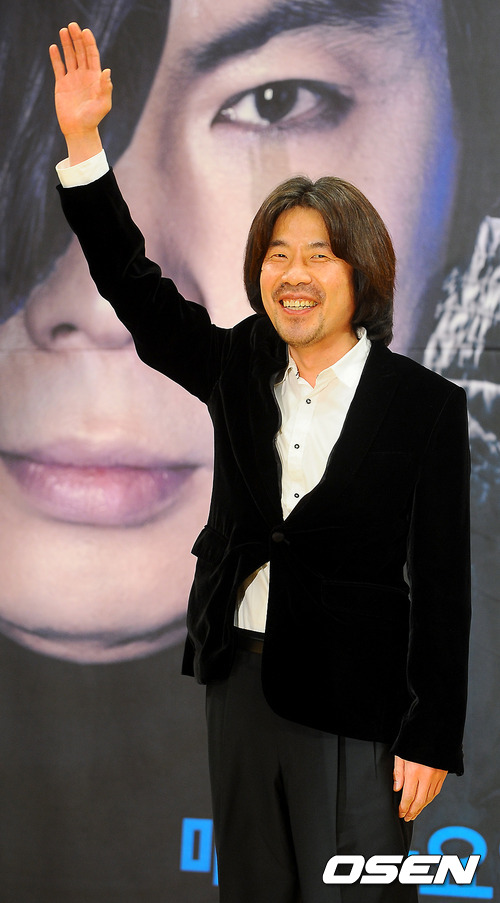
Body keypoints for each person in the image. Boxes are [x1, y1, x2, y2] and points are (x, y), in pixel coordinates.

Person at [50, 22, 471, 902]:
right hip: (240, 677)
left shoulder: (421, 403)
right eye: (278, 255)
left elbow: (442, 581)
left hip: (359, 698)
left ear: (361, 273)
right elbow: (133, 286)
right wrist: (85, 147)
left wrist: (432, 730)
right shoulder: (237, 365)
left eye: (319, 254)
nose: (294, 274)